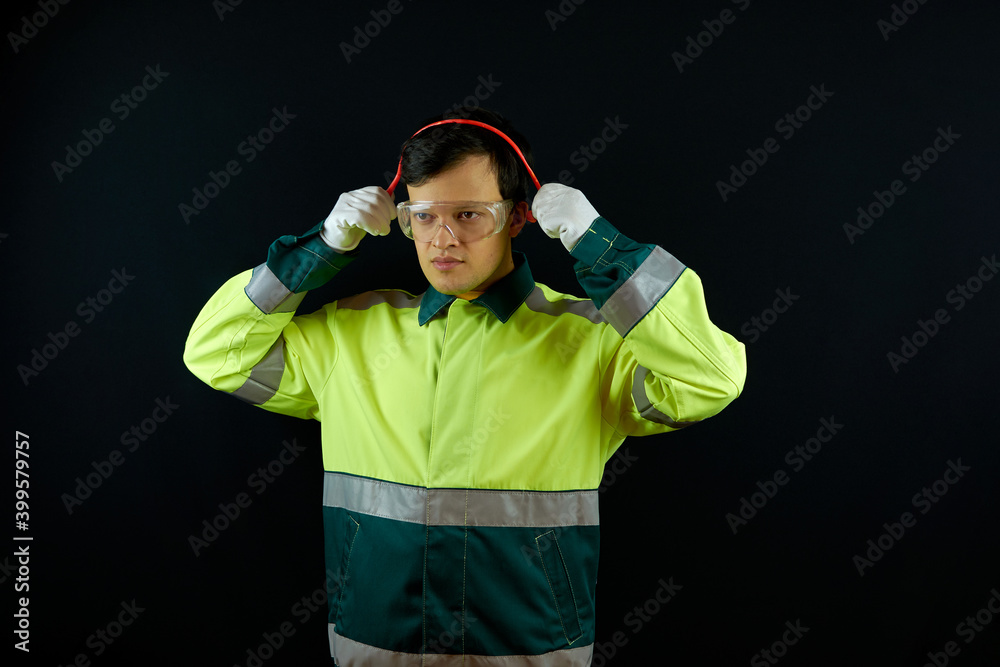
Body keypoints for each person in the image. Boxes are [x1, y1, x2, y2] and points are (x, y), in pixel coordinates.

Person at [183, 106, 747, 665]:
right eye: (424, 216)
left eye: (469, 215)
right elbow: (214, 354)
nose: (442, 240)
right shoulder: (348, 334)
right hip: (374, 649)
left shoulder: (591, 342)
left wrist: (602, 247)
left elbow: (711, 377)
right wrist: (318, 248)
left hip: (529, 654)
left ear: (518, 217)